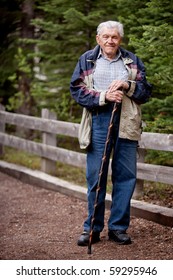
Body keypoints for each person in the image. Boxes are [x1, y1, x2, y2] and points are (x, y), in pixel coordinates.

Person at [70, 20, 152, 246]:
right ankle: (92, 229)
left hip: (126, 121)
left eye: (114, 37)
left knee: (125, 176)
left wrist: (128, 86)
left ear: (120, 40)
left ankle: (118, 228)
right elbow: (76, 90)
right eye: (105, 36)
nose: (110, 40)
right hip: (98, 120)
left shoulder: (132, 61)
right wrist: (104, 97)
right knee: (95, 176)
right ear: (98, 39)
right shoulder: (87, 59)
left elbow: (146, 92)